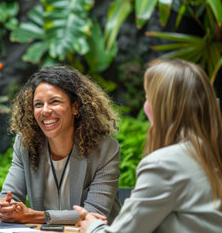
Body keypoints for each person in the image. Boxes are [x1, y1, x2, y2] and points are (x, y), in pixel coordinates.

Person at [75, 59, 222, 232]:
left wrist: (92, 226)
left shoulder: (166, 164)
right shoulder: (210, 152)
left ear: (161, 107)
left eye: (148, 97)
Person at [0, 66, 121, 225]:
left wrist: (34, 216)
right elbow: (7, 196)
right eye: (38, 104)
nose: (45, 111)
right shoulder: (26, 145)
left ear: (75, 107)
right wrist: (4, 208)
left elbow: (94, 215)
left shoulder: (105, 149)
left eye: (54, 102)